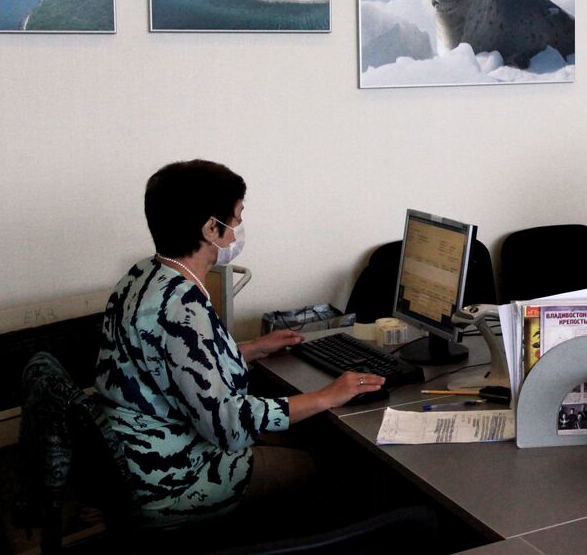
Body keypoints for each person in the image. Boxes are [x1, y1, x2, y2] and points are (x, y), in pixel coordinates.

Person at [93, 160, 385, 526]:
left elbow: (170, 365)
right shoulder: (180, 308)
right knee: (334, 465)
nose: (238, 232)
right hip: (174, 478)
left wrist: (250, 349)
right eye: (235, 218)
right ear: (210, 229)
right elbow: (228, 425)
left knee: (307, 435)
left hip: (138, 457)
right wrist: (328, 395)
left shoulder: (143, 274)